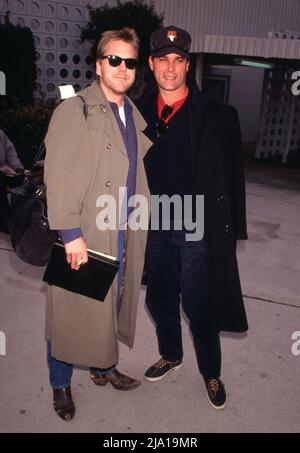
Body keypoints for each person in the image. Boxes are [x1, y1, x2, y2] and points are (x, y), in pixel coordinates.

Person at [44, 28, 151, 421]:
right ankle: (60, 383)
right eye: (114, 60)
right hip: (86, 232)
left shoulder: (131, 114)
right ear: (99, 65)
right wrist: (70, 234)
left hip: (121, 230)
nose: (123, 68)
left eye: (130, 62)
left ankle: (104, 366)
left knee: (110, 303)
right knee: (71, 311)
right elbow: (58, 174)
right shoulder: (76, 110)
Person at [139, 25, 248, 410]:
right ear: (151, 64)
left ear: (188, 64)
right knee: (160, 299)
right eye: (163, 60)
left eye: (178, 60)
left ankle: (211, 372)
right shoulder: (133, 112)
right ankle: (172, 354)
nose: (170, 68)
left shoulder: (218, 116)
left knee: (200, 304)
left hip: (194, 225)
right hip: (151, 224)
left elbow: (233, 178)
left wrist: (233, 228)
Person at [0, 129, 24, 233]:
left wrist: (18, 168)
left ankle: (11, 219)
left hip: (4, 170)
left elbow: (10, 152)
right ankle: (6, 220)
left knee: (22, 182)